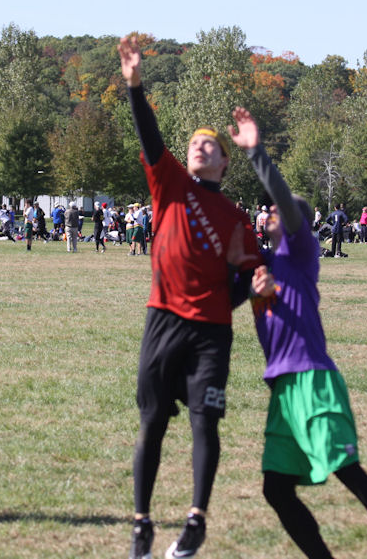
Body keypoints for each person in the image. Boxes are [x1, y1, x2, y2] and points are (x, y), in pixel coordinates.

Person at [229, 106, 367, 559]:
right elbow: (222, 303)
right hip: (283, 389)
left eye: (276, 211)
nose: (269, 213)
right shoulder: (261, 264)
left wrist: (256, 153)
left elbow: (283, 199)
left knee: (346, 470)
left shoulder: (301, 252)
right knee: (276, 489)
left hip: (314, 379)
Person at [119, 35, 262, 559]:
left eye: (210, 144)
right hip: (162, 321)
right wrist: (135, 85)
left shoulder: (237, 218)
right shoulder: (170, 185)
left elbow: (249, 277)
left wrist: (244, 288)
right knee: (152, 423)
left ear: (225, 163)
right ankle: (141, 525)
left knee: (205, 421)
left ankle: (196, 518)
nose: (199, 146)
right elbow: (149, 133)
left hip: (211, 333)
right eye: (194, 143)